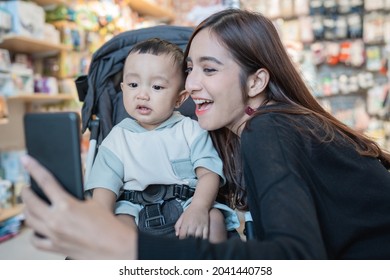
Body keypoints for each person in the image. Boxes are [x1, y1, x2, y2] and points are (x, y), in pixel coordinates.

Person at [21, 8, 390, 259]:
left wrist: (123, 245)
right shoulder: (270, 128)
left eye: (209, 70)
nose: (192, 85)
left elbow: (292, 259)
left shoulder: (270, 128)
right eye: (190, 68)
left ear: (257, 80)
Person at [83, 37, 239, 243]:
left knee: (214, 219)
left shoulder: (191, 130)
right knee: (117, 229)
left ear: (179, 98)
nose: (142, 95)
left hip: (188, 202)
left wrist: (199, 208)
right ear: (122, 89)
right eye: (133, 84)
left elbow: (209, 174)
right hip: (133, 209)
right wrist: (101, 220)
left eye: (156, 87)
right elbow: (104, 186)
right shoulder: (117, 138)